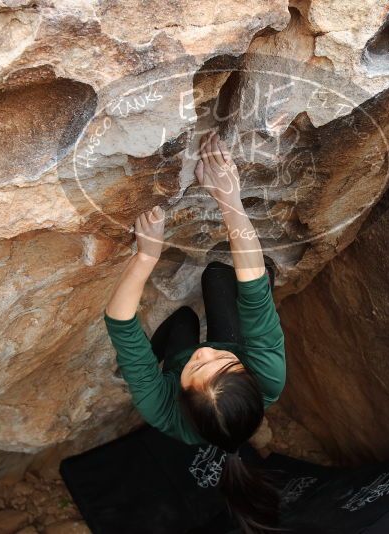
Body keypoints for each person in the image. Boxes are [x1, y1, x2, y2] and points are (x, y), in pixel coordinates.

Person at [104, 131, 286, 533]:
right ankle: (214, 352)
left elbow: (120, 324)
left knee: (183, 323)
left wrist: (146, 256)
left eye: (196, 370)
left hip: (180, 369)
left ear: (181, 395)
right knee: (222, 277)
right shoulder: (269, 377)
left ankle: (145, 367)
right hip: (237, 346)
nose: (203, 354)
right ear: (251, 381)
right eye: (222, 362)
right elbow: (254, 292)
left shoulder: (162, 409)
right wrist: (228, 197)